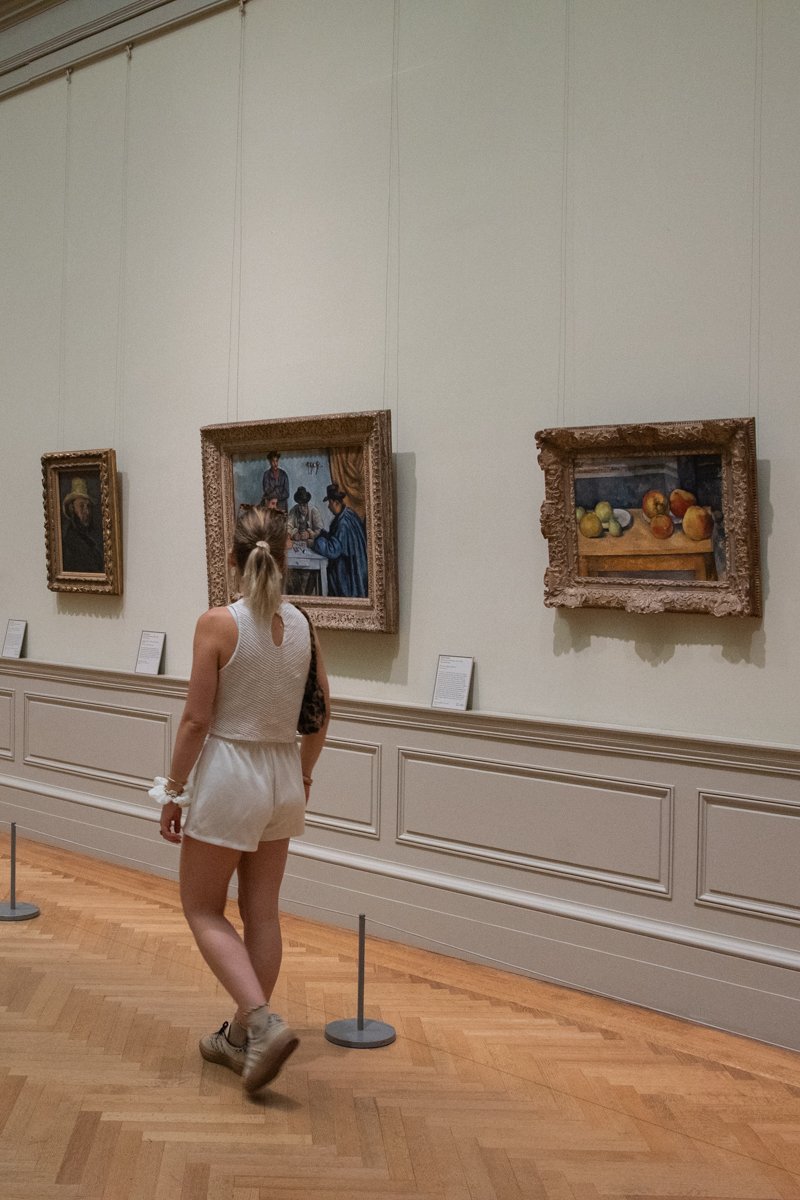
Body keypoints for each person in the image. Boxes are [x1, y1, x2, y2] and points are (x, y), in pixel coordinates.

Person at [151, 506, 330, 1094]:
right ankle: (238, 1039)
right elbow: (321, 713)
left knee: (202, 908)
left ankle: (260, 1020)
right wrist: (301, 777)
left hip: (231, 774)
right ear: (285, 555)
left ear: (231, 556)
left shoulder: (217, 624)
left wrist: (172, 792)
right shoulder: (303, 623)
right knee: (263, 913)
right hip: (281, 774)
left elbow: (196, 722)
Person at [312, 483, 369, 597]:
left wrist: (315, 541)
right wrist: (322, 533)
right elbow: (338, 540)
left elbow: (333, 550)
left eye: (329, 503)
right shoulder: (349, 514)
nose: (328, 507)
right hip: (354, 568)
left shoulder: (343, 523)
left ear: (335, 502)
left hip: (347, 575)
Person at [61, 477, 104, 573]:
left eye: (88, 506)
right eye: (81, 506)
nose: (87, 512)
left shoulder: (88, 541)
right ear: (72, 508)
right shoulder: (70, 541)